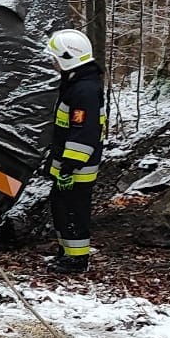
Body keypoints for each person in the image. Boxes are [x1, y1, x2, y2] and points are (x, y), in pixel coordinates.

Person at [45, 27, 106, 275]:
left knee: (72, 209)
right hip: (67, 161)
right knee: (61, 206)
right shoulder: (76, 83)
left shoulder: (85, 90)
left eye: (55, 57)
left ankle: (76, 259)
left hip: (78, 165)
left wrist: (70, 164)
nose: (52, 62)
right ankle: (67, 251)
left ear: (68, 57)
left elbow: (84, 130)